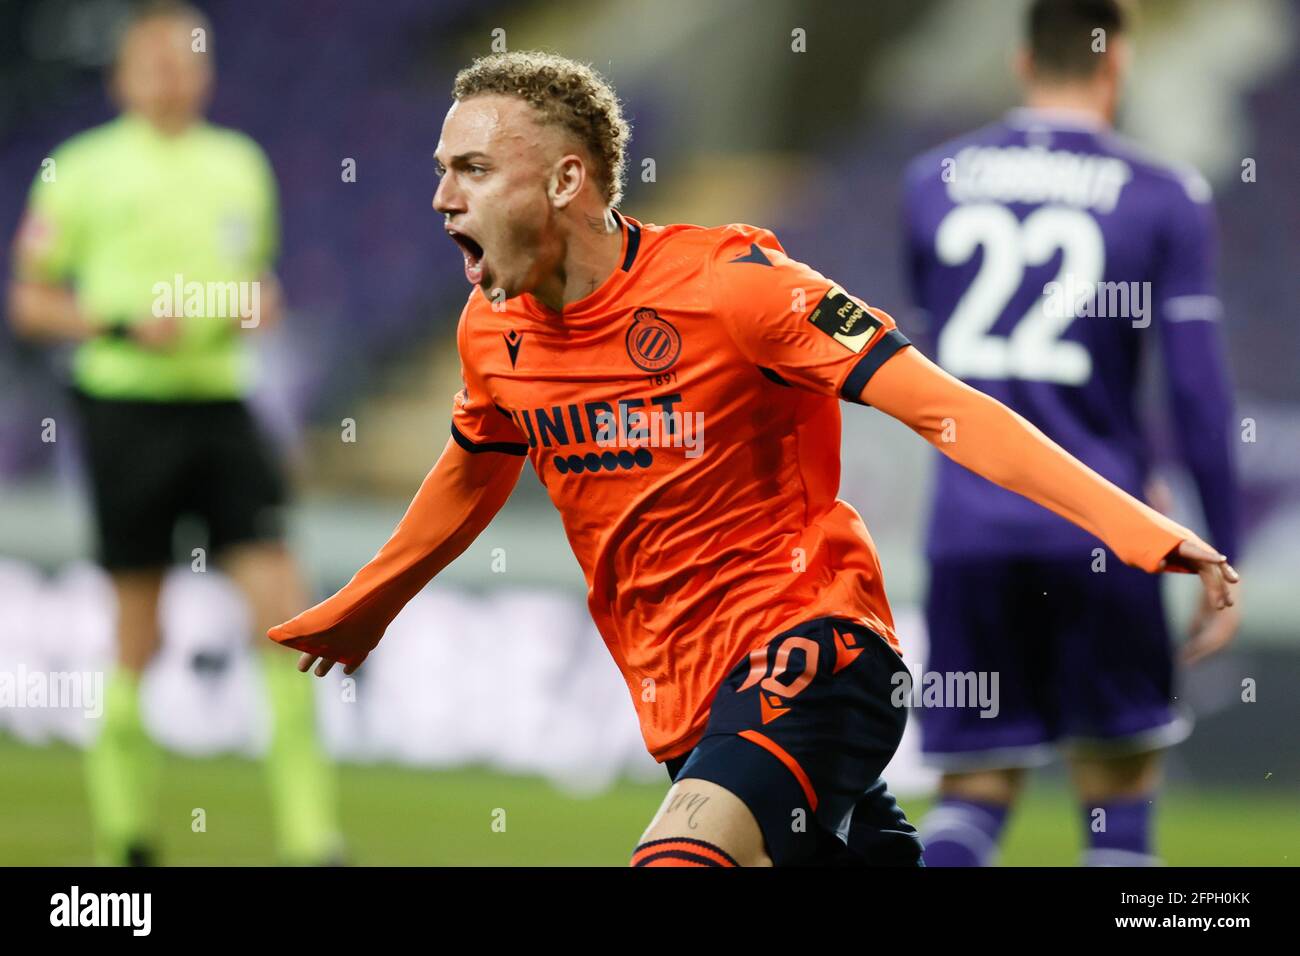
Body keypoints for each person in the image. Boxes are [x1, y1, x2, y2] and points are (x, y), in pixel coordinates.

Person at [269, 50, 1237, 867]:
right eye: (443, 169)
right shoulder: (492, 328)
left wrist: (1133, 524)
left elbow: (942, 405)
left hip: (818, 647)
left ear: (566, 179)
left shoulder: (736, 287)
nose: (440, 197)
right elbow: (471, 471)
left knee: (677, 859)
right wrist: (370, 603)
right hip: (690, 704)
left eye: (471, 168)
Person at [901, 0, 1240, 865]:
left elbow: (922, 352)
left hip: (968, 533)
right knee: (1117, 799)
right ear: (1115, 63)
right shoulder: (1165, 195)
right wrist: (1218, 546)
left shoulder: (930, 178)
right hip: (1106, 528)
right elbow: (1200, 393)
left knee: (972, 791)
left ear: (1021, 63)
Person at [8, 1, 341, 866]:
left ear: (207, 72)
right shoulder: (81, 170)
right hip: (126, 410)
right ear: (123, 75)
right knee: (139, 632)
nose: (172, 74)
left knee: (287, 615)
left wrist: (257, 306)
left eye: (188, 59)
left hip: (220, 405)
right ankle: (125, 841)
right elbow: (31, 299)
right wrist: (120, 325)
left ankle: (313, 841)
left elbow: (259, 284)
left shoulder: (239, 165)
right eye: (155, 60)